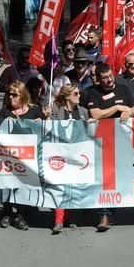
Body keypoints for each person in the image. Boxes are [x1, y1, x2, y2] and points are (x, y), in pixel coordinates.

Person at [87, 62, 134, 231]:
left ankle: (111, 211)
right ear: (98, 80)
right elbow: (95, 113)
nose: (109, 80)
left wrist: (127, 112)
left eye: (110, 76)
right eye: (104, 78)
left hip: (123, 140)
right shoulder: (93, 92)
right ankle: (104, 215)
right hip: (103, 142)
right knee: (105, 179)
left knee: (119, 177)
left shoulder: (124, 88)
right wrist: (115, 107)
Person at [0, 81, 46, 230]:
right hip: (9, 156)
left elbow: (47, 132)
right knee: (8, 183)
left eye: (14, 95)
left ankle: (21, 215)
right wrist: (3, 123)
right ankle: (7, 212)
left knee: (26, 185)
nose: (11, 97)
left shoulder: (35, 111)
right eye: (9, 94)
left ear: (23, 96)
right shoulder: (5, 111)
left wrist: (42, 122)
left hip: (29, 156)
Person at [50, 84, 90, 234]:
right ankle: (58, 220)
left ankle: (69, 217)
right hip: (60, 153)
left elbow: (88, 132)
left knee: (72, 187)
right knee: (60, 187)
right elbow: (51, 129)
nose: (79, 96)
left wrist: (90, 124)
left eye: (79, 93)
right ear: (67, 96)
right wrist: (48, 118)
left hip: (78, 154)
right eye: (75, 93)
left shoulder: (83, 112)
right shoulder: (56, 111)